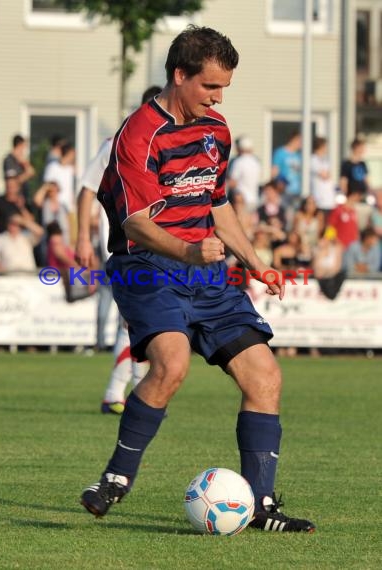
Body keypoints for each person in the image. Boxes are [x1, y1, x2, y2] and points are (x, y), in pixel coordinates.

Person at [80, 26, 315, 533]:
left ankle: (262, 505)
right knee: (171, 364)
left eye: (224, 87)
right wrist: (189, 248)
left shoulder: (217, 130)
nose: (218, 97)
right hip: (147, 270)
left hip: (208, 276)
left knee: (265, 377)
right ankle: (115, 480)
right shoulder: (137, 136)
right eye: (210, 86)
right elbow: (136, 222)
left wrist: (253, 259)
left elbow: (217, 201)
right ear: (179, 75)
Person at [75, 86, 161, 412]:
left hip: (156, 246)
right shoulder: (116, 143)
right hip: (122, 245)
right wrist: (83, 237)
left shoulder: (167, 146)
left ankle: (132, 394)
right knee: (133, 317)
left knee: (142, 319)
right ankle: (118, 394)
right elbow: (87, 189)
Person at [228, 135, 261, 214]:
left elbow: (232, 183)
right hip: (254, 199)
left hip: (240, 200)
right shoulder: (256, 162)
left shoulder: (239, 161)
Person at [271, 131, 302, 215]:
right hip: (284, 190)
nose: (301, 144)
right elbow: (274, 171)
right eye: (299, 141)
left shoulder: (299, 155)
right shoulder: (280, 153)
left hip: (297, 191)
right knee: (284, 213)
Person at [310, 136, 336, 220]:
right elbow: (324, 175)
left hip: (329, 200)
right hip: (320, 200)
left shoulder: (325, 161)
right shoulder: (312, 160)